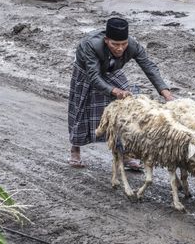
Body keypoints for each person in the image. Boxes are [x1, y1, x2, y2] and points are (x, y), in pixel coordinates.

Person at [67, 17, 174, 169]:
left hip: (111, 70)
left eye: (123, 44)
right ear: (106, 40)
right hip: (87, 72)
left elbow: (149, 66)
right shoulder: (90, 46)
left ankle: (125, 154)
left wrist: (166, 93)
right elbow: (94, 77)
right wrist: (115, 91)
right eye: (115, 44)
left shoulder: (133, 45)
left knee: (125, 111)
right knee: (82, 108)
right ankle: (75, 148)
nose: (119, 48)